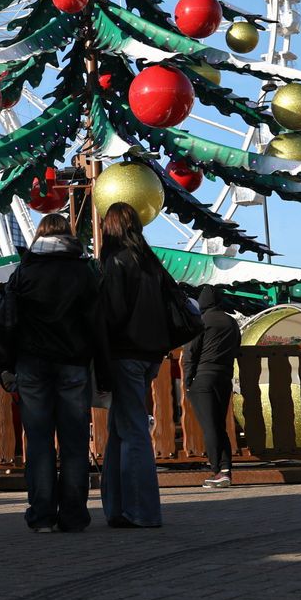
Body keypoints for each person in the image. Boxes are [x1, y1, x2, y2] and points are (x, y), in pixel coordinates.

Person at [0, 214, 103, 533]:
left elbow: (4, 322)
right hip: (73, 363)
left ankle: (41, 516)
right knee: (74, 441)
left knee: (39, 441)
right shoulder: (84, 271)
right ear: (68, 236)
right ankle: (74, 515)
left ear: (39, 236)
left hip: (32, 363)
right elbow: (97, 322)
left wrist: (6, 365)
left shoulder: (25, 271)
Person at [97, 203, 169, 528]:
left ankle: (140, 510)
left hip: (125, 353)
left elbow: (112, 315)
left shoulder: (116, 263)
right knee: (121, 429)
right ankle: (116, 506)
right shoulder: (151, 264)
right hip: (148, 355)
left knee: (132, 431)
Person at [183, 284, 240, 488]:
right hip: (224, 378)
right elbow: (236, 349)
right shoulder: (231, 322)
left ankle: (216, 471)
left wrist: (188, 382)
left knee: (209, 426)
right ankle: (225, 470)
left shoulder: (202, 321)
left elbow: (190, 353)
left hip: (203, 379)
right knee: (219, 426)